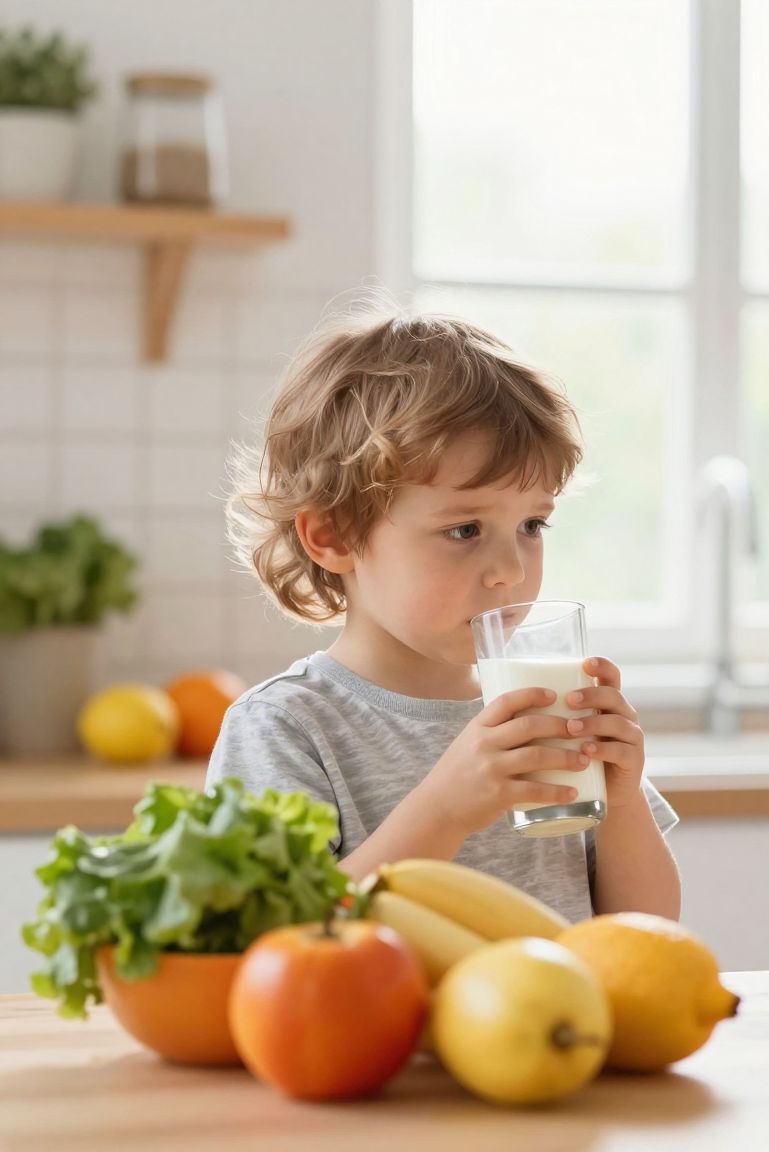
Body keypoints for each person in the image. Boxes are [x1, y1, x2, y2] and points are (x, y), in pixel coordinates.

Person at [207, 307, 680, 922]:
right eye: (464, 529)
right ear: (333, 535)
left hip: (559, 1020)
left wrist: (621, 799)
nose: (510, 569)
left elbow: (647, 931)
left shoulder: (543, 708)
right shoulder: (287, 728)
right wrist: (444, 809)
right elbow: (276, 941)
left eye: (532, 525)